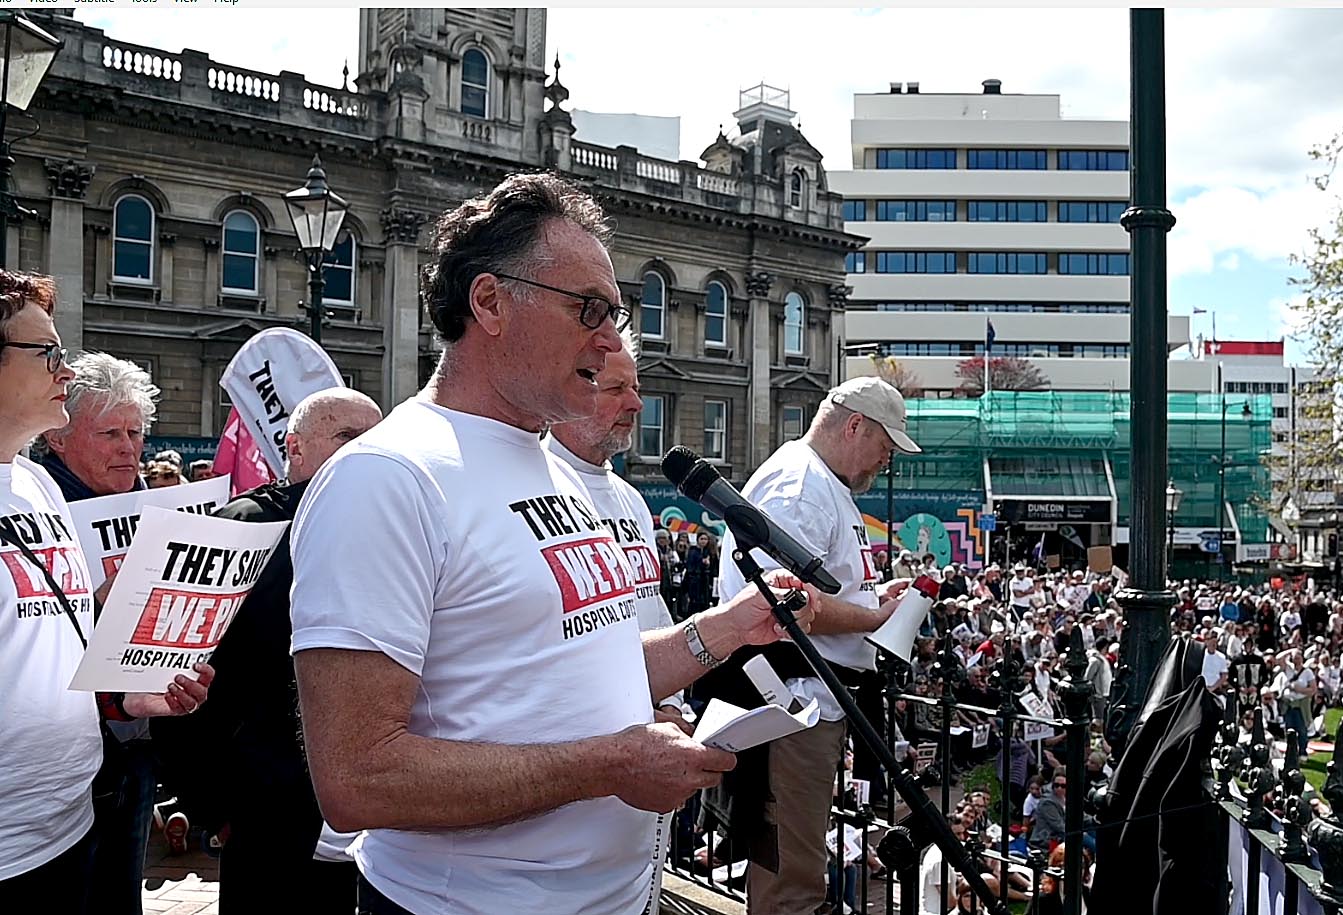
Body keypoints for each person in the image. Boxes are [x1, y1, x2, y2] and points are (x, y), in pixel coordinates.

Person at [287, 173, 818, 915]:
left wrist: (719, 631)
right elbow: (357, 778)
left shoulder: (553, 465)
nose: (611, 337)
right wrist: (610, 764)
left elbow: (569, 660)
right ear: (490, 302)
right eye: (589, 308)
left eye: (617, 311)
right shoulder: (385, 476)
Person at [0, 269, 212, 914]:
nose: (64, 369)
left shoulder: (33, 484)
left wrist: (127, 694)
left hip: (67, 820)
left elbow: (53, 637)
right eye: (47, 353)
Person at [152, 387, 382, 914]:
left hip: (381, 818)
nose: (365, 452)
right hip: (268, 811)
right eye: (348, 437)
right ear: (295, 446)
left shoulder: (403, 524)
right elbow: (175, 668)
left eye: (375, 439)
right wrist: (214, 806)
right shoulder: (242, 526)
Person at [712, 374, 920, 914]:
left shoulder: (820, 483)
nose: (886, 462)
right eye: (884, 445)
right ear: (855, 426)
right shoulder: (800, 487)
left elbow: (819, 591)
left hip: (809, 701)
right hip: (793, 705)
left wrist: (873, 598)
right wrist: (874, 615)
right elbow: (788, 607)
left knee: (799, 862)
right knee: (793, 877)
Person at [545, 341, 686, 914]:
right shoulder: (541, 482)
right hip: (581, 770)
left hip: (651, 747)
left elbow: (649, 613)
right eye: (617, 390)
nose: (637, 404)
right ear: (572, 392)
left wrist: (676, 705)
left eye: (636, 388)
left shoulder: (630, 500)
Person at [40, 351, 176, 914]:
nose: (129, 447)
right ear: (59, 439)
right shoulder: (38, 506)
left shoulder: (153, 505)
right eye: (111, 433)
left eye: (136, 432)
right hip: (60, 753)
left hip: (135, 742)